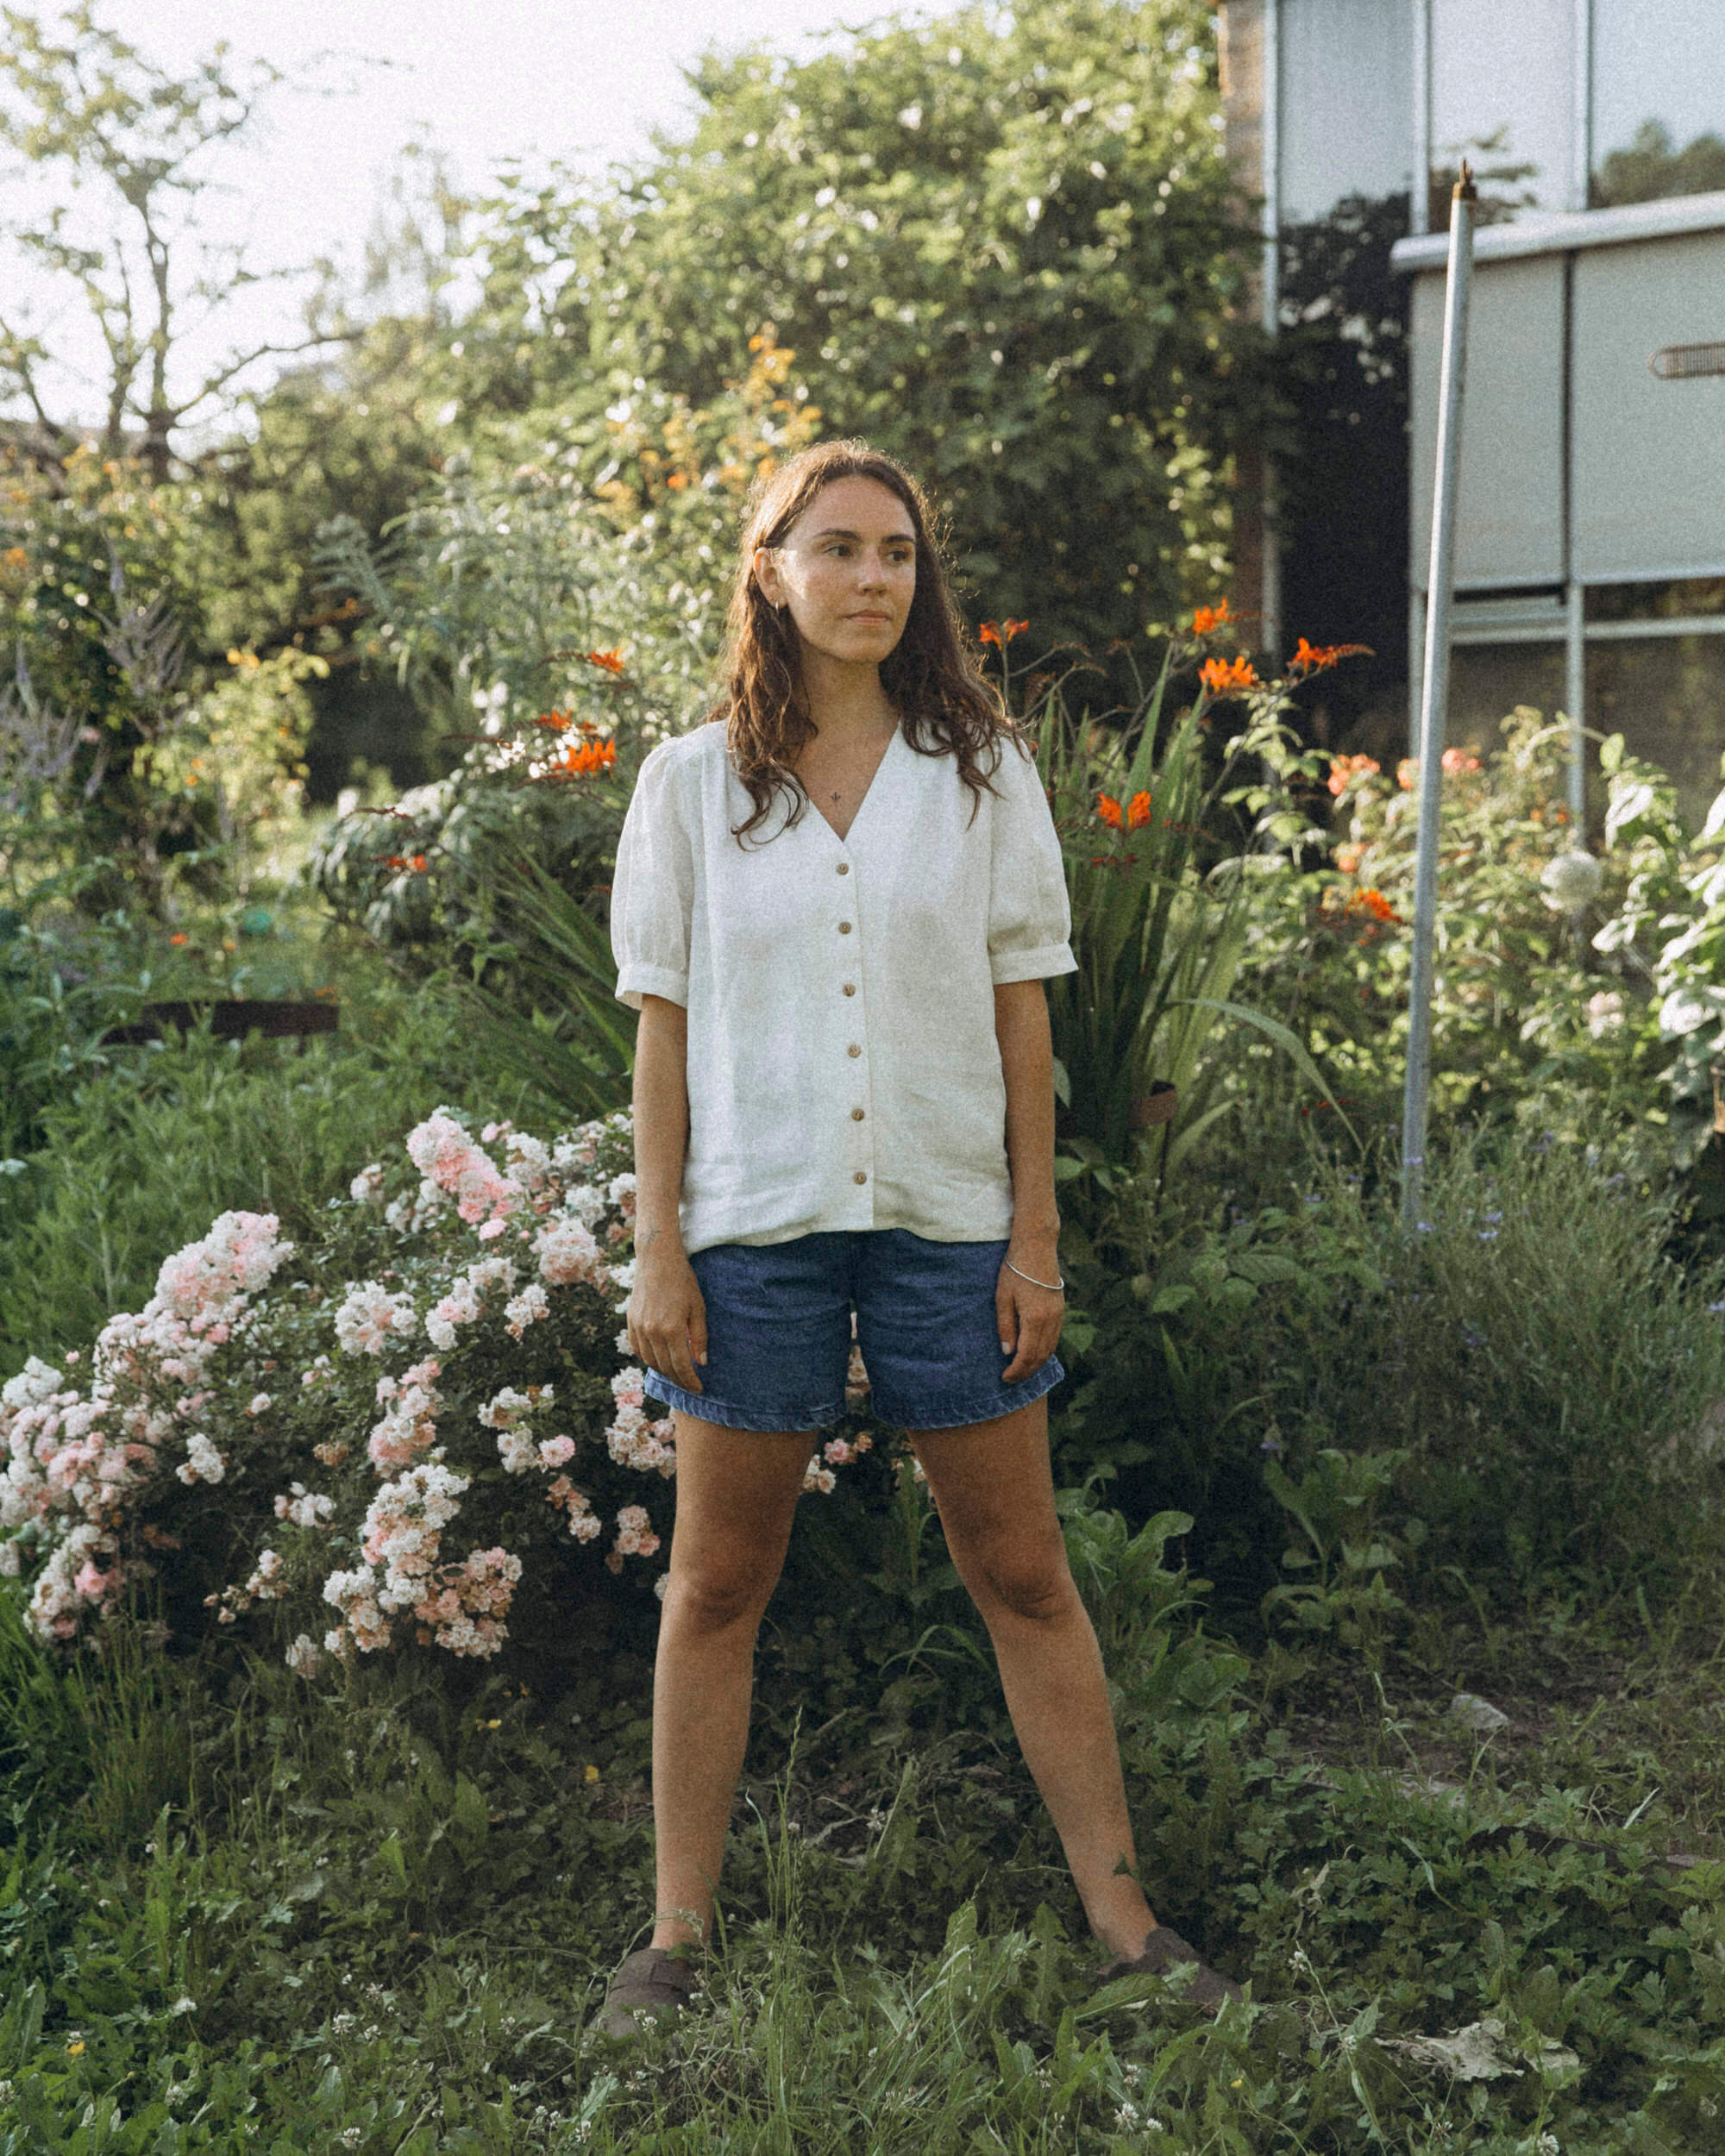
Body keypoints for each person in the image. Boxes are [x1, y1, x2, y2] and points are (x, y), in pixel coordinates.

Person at [596, 439, 1241, 2039]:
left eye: (897, 552)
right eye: (839, 549)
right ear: (772, 569)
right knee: (714, 1586)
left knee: (1023, 1573)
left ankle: (1123, 1919)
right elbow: (659, 1041)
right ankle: (674, 1942)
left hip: (954, 1233)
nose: (873, 578)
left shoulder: (982, 774)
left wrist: (1037, 1236)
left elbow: (1027, 1026)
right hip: (755, 1237)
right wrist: (657, 1247)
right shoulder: (689, 787)